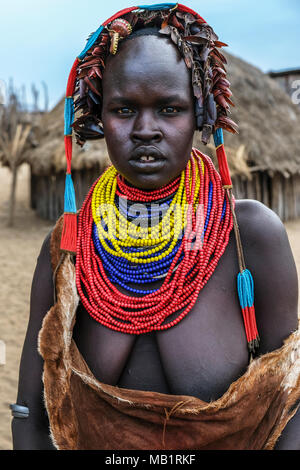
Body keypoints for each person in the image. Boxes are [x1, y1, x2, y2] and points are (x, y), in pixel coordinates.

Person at [11, 4, 300, 450]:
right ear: (97, 118)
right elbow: (30, 415)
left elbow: (290, 404)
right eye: (124, 110)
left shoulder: (251, 236)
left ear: (201, 115)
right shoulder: (67, 250)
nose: (146, 130)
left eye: (170, 108)